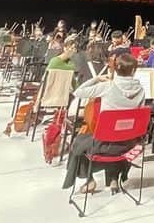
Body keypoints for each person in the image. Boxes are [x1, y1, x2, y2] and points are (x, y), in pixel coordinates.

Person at [61, 54, 146, 195]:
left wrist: (96, 79)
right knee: (116, 137)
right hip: (129, 146)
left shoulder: (107, 87)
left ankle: (89, 180)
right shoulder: (141, 90)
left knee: (79, 141)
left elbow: (78, 92)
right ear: (133, 71)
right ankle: (113, 178)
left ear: (116, 70)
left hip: (105, 145)